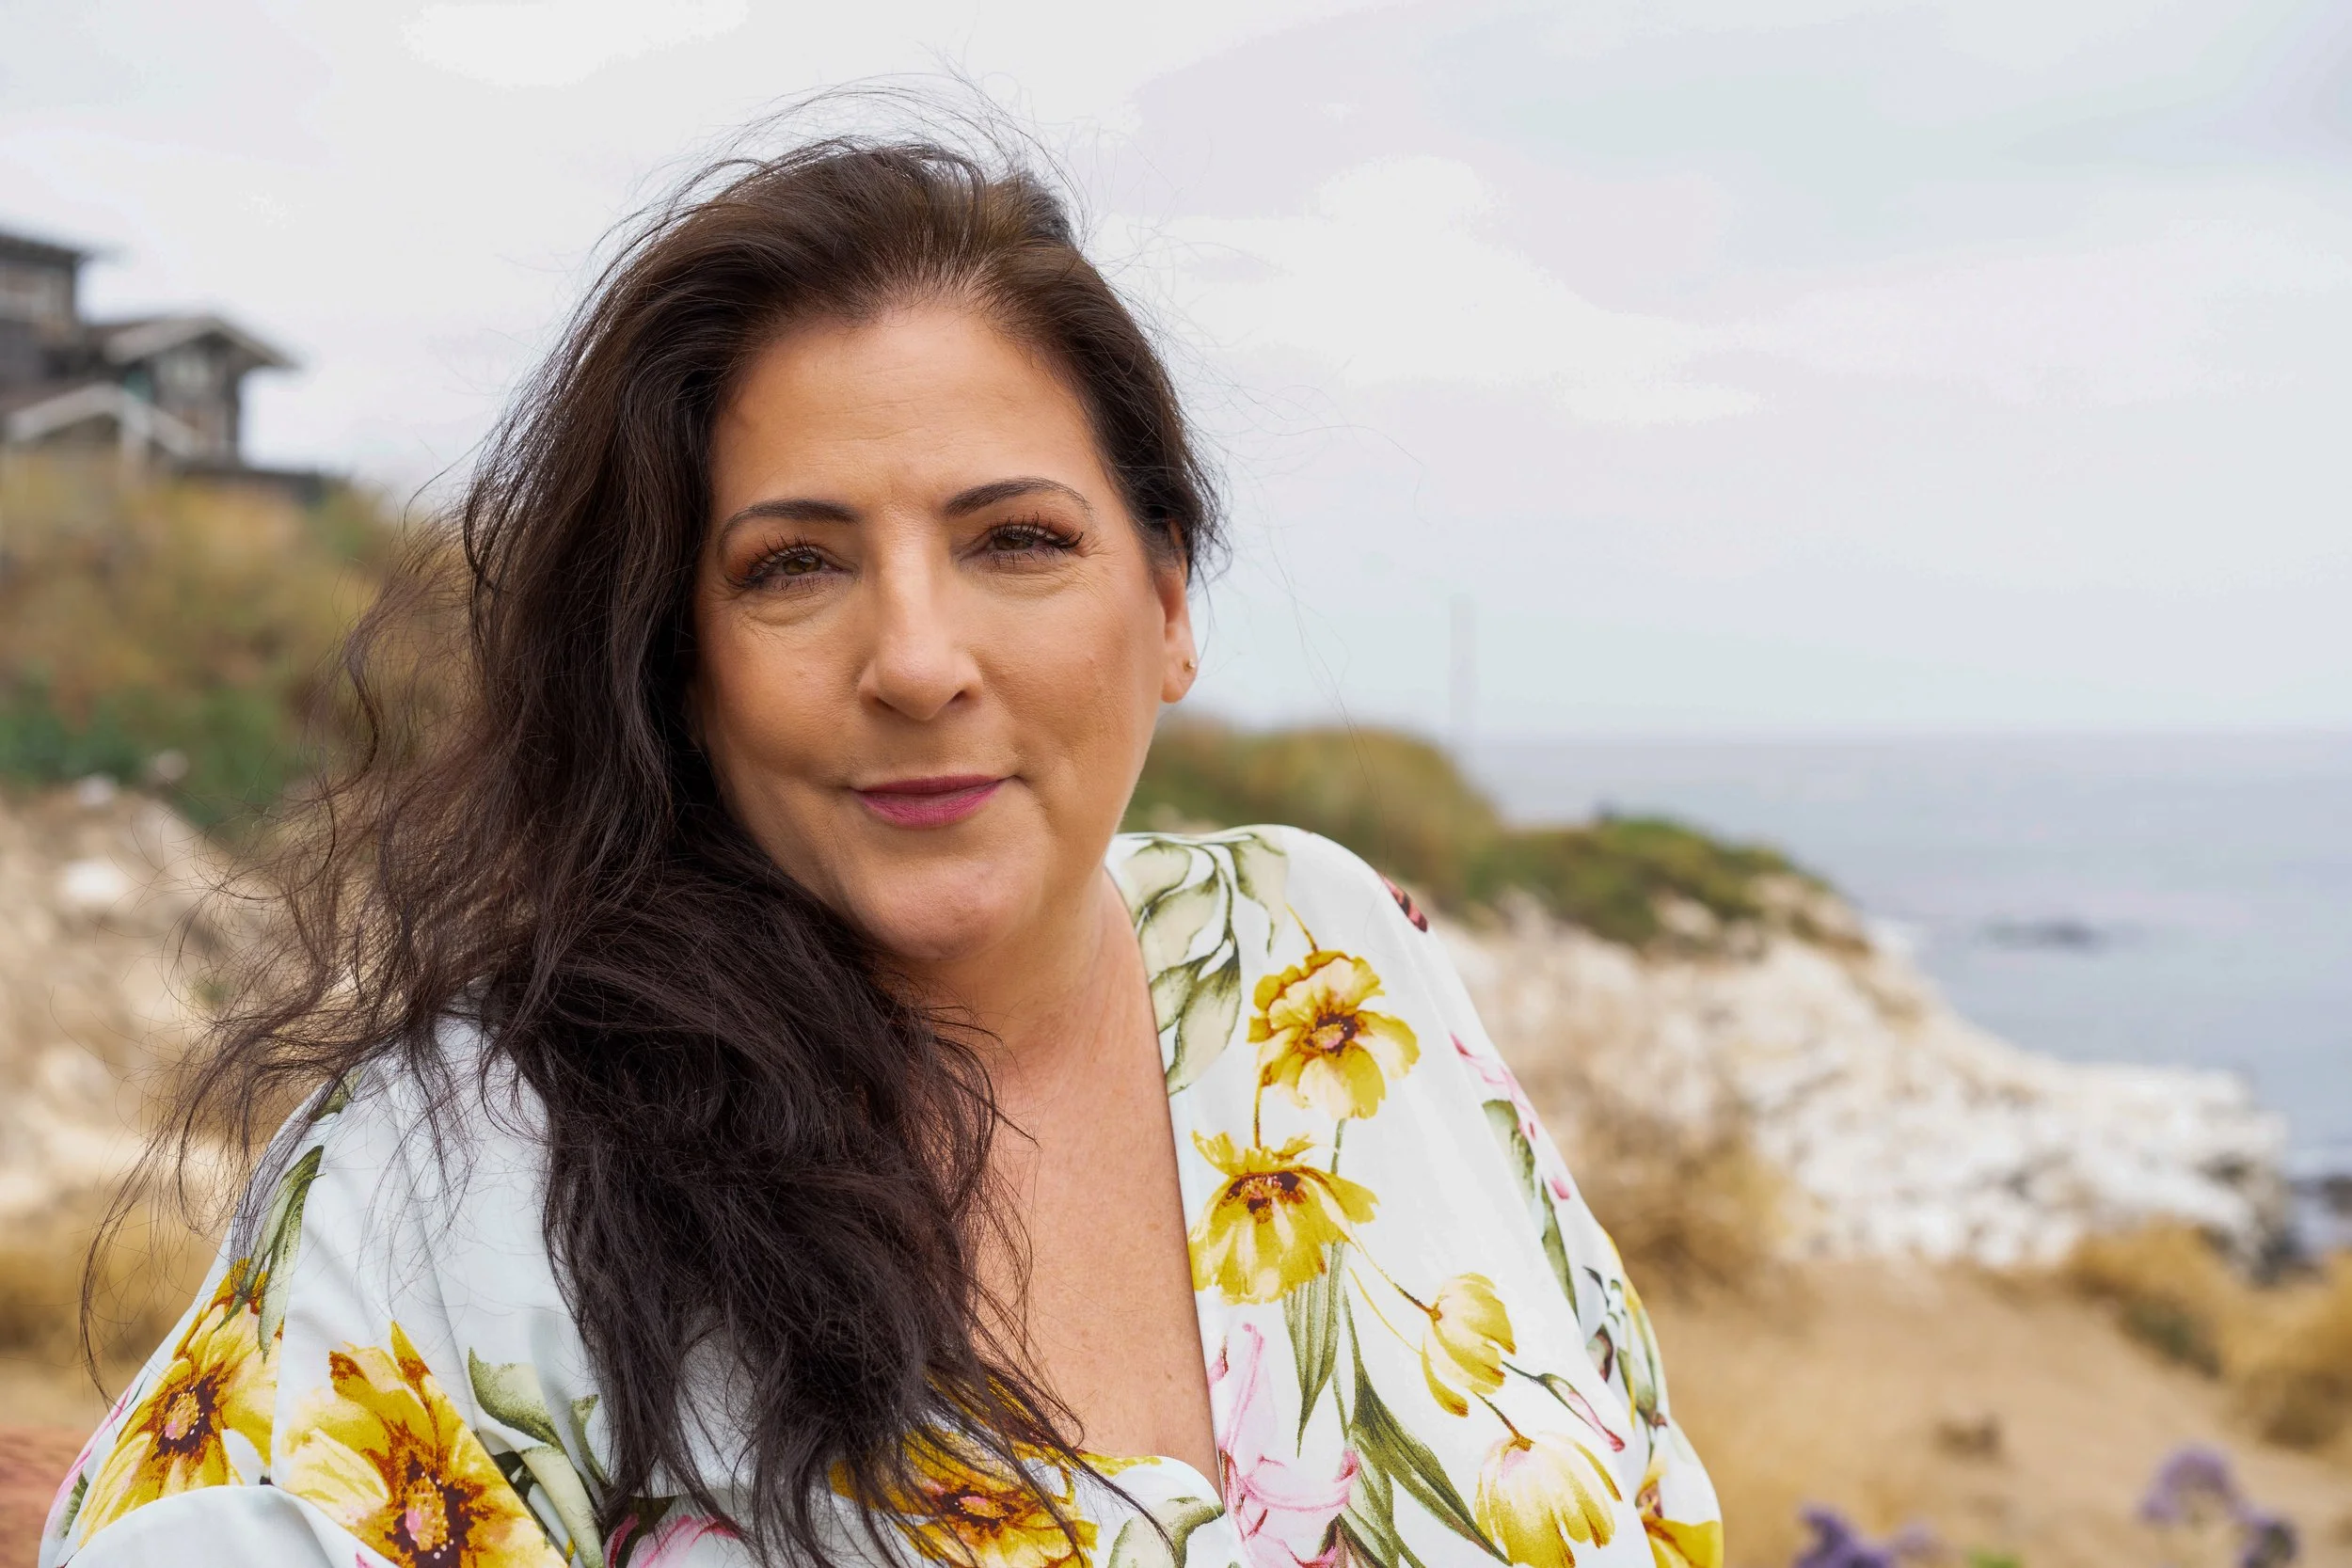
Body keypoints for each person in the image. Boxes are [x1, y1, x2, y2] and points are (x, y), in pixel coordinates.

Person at [41, 131, 1721, 1568]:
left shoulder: (1320, 951)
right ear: (677, 663)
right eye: (794, 567)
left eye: (1017, 540)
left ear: (1167, 600)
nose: (917, 659)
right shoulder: (474, 1162)